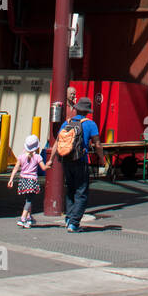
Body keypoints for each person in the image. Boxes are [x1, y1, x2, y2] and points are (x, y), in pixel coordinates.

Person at [46, 96, 106, 232]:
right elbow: (97, 143)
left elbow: (57, 142)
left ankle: (68, 218)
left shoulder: (67, 123)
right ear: (87, 111)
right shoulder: (90, 124)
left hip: (66, 160)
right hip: (81, 160)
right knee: (82, 192)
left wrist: (51, 159)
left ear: (77, 109)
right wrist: (101, 158)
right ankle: (74, 223)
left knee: (70, 190)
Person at [8, 134, 47, 227]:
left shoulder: (21, 156)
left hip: (23, 180)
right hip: (32, 180)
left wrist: (11, 179)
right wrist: (49, 165)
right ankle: (23, 218)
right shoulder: (37, 157)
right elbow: (44, 168)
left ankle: (29, 217)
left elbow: (16, 168)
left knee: (27, 199)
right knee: (29, 200)